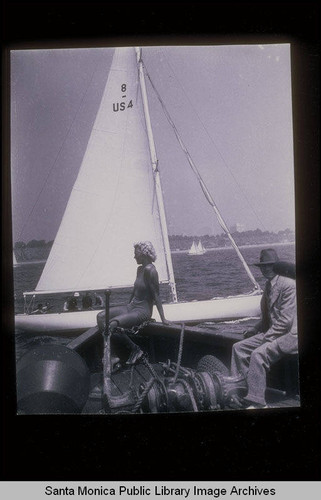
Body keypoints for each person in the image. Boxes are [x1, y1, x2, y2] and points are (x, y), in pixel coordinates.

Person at [229, 248, 298, 409]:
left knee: (258, 354)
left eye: (269, 266)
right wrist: (254, 330)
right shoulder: (269, 286)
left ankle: (259, 403)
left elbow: (286, 321)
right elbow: (267, 317)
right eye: (263, 266)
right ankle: (240, 391)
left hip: (290, 336)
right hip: (274, 333)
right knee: (238, 348)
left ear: (277, 266)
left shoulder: (288, 285)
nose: (265, 269)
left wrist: (266, 338)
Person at [97, 241, 171, 366]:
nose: (134, 257)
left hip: (143, 311)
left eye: (136, 254)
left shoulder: (151, 271)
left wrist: (163, 318)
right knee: (100, 316)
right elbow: (134, 290)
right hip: (132, 307)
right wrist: (126, 308)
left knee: (112, 324)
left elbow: (156, 296)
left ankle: (135, 349)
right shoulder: (140, 269)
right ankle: (113, 355)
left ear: (144, 255)